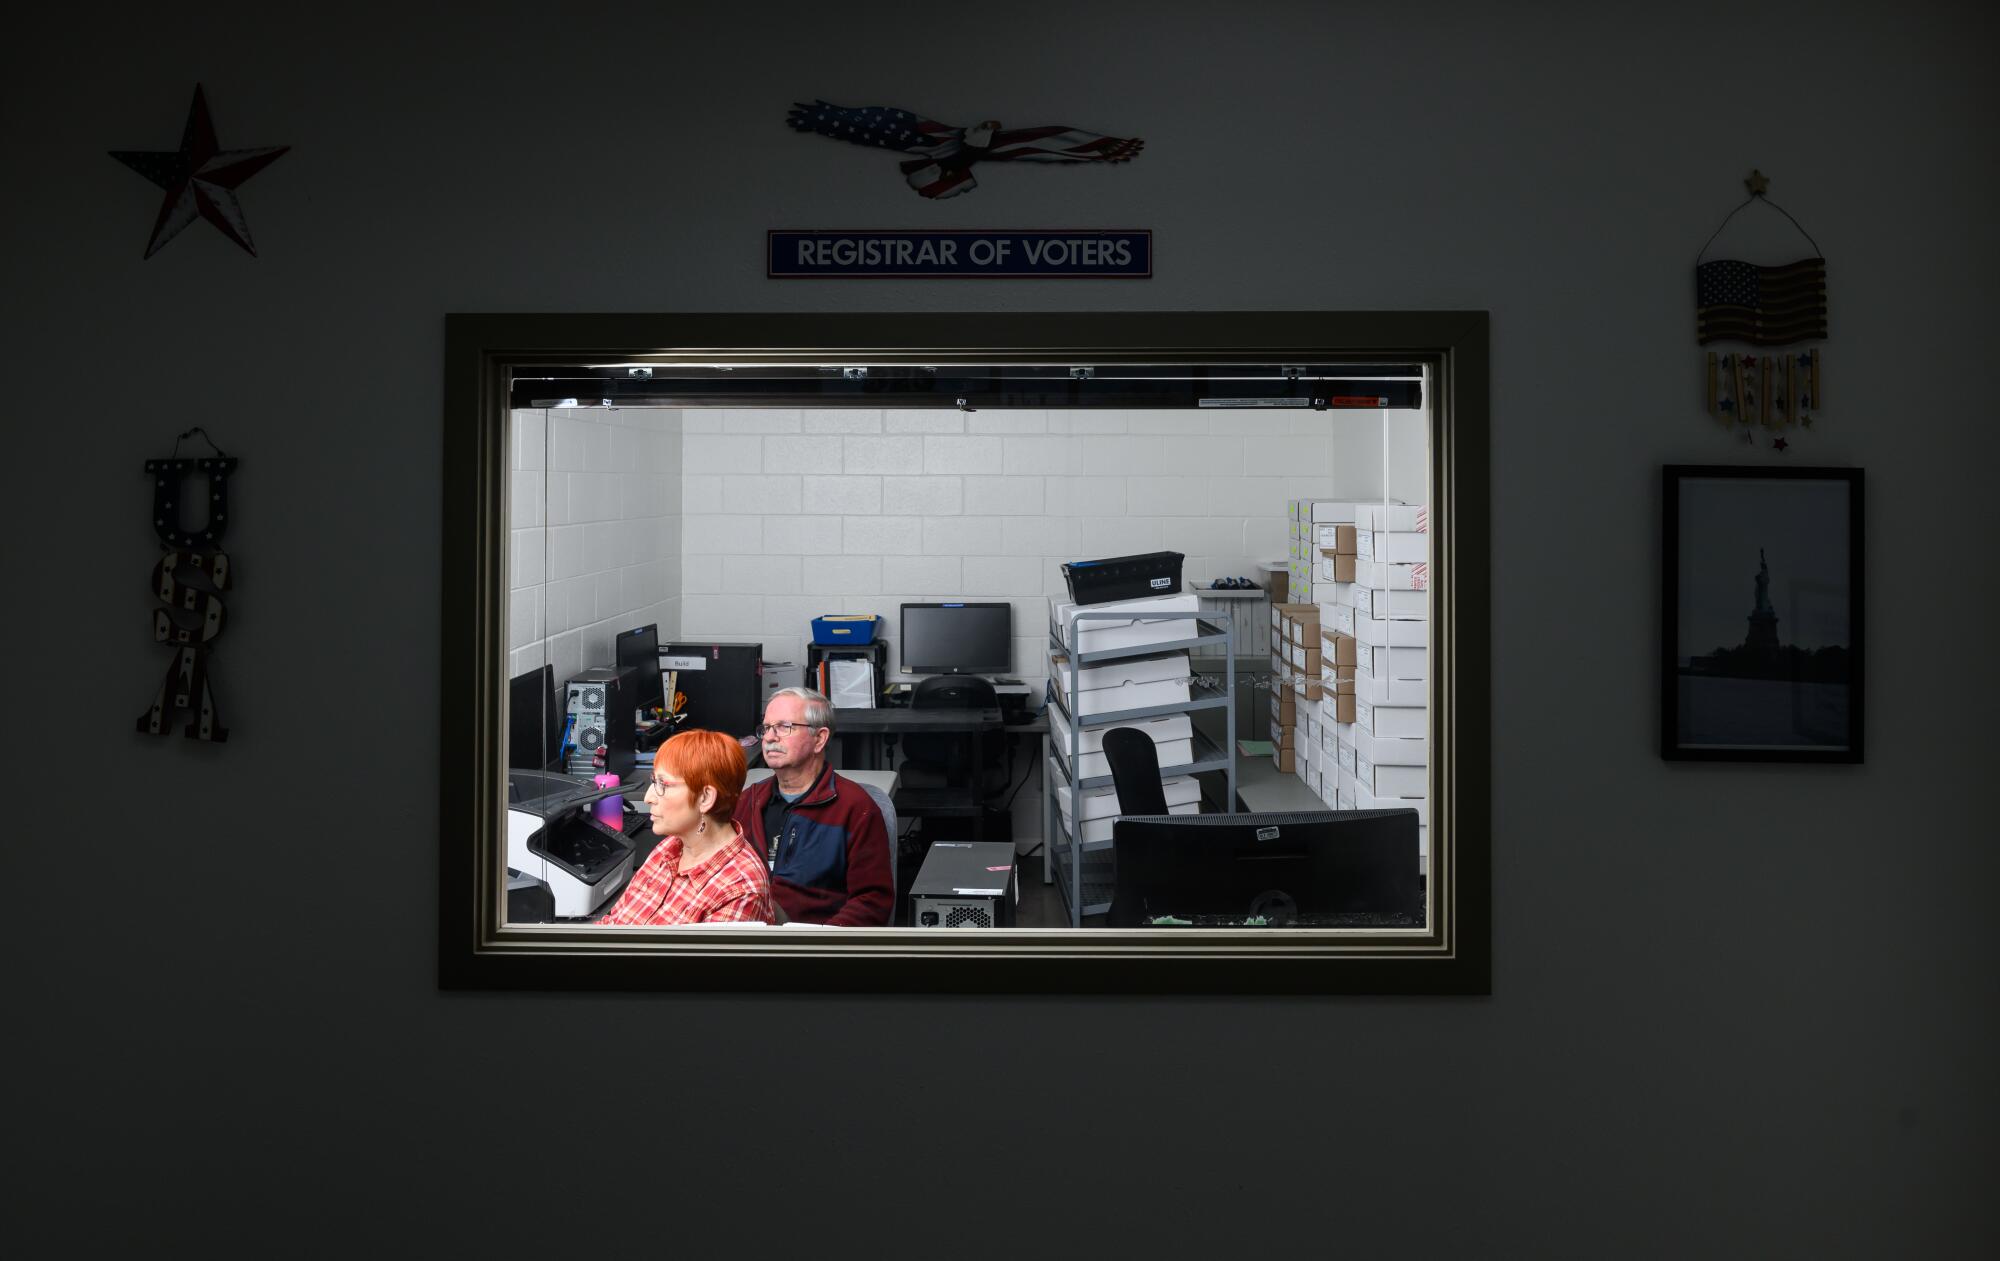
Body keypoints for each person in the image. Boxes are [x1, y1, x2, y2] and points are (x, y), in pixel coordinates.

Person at [733, 687, 893, 926]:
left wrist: (818, 945)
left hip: (817, 949)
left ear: (819, 739)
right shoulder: (747, 801)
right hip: (747, 943)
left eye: (784, 727)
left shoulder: (856, 808)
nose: (769, 738)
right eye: (766, 728)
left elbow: (872, 902)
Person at [596, 728, 773, 926]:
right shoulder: (670, 848)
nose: (648, 798)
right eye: (654, 781)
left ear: (705, 798)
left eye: (663, 784)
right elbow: (612, 925)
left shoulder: (739, 889)